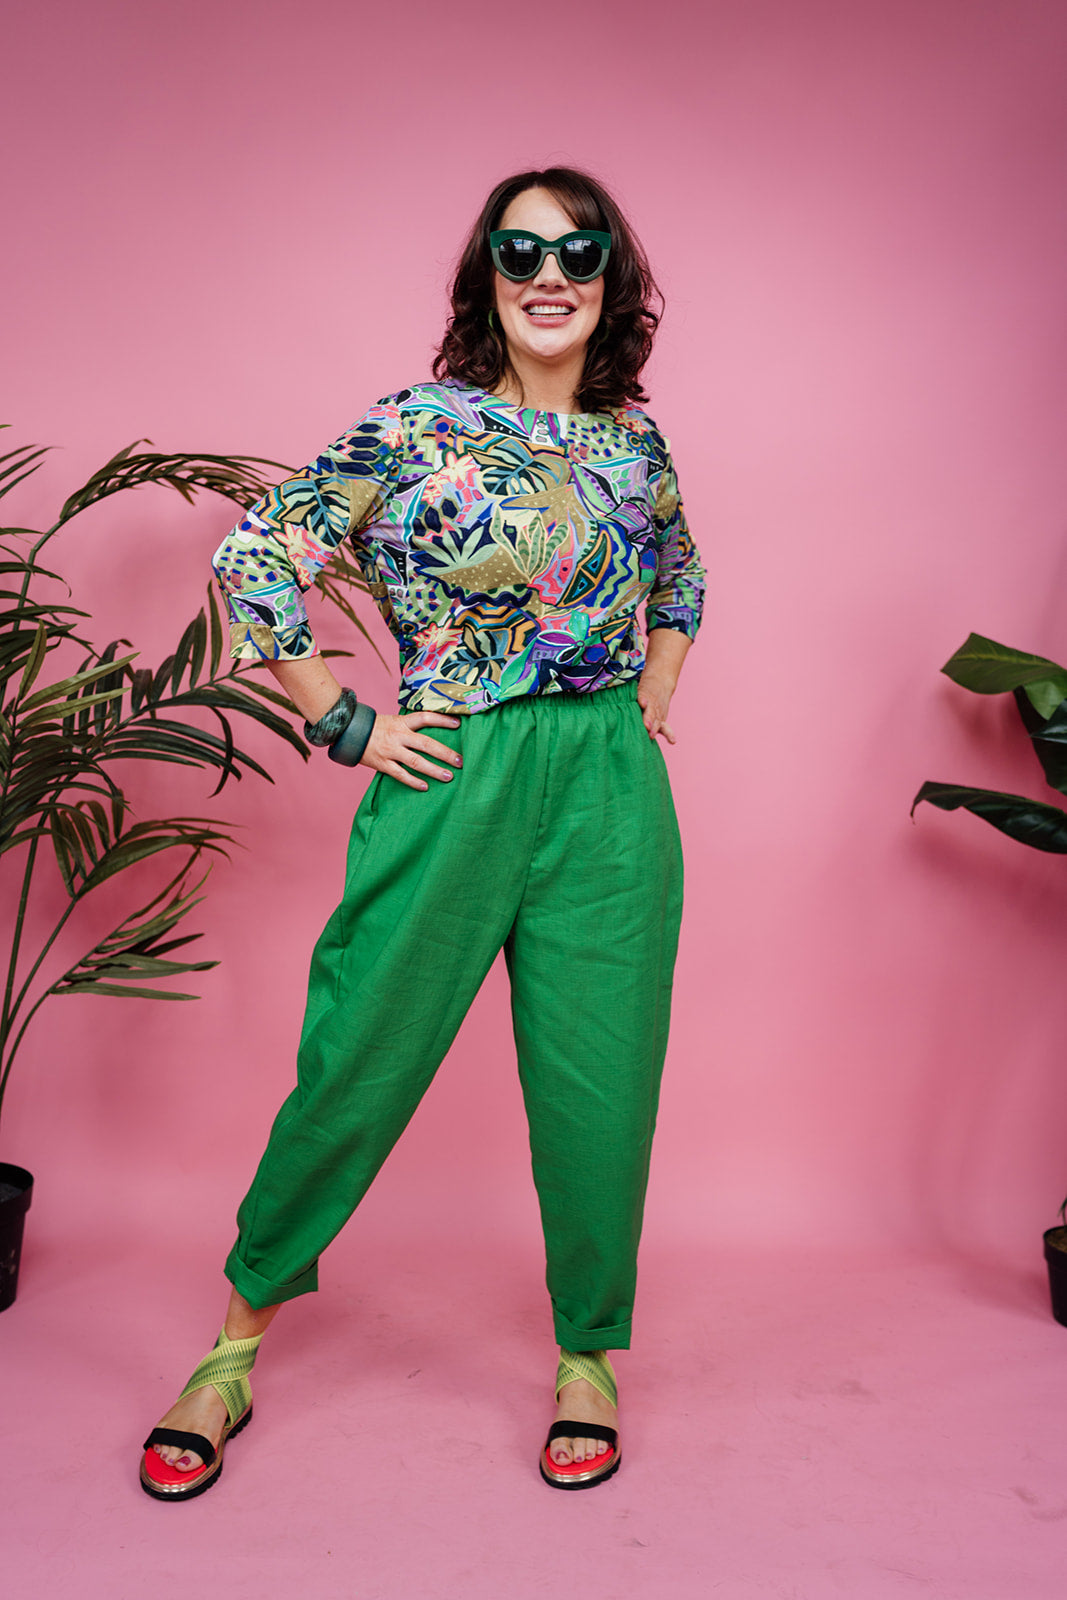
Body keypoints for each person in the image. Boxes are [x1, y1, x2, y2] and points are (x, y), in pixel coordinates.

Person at [140, 165, 704, 1500]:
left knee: (602, 1082)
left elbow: (680, 573)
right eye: (522, 251)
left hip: (609, 789)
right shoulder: (414, 427)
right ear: (486, 276)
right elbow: (255, 559)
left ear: (611, 280)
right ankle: (233, 1347)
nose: (550, 275)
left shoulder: (635, 444)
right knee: (360, 1056)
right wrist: (345, 724)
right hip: (454, 770)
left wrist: (656, 688)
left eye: (579, 252)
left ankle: (588, 1355)